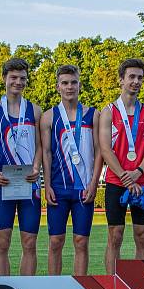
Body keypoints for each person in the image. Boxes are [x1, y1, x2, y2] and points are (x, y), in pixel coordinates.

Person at [0, 58, 42, 276]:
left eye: (22, 78)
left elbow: (41, 146)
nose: (18, 82)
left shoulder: (35, 111)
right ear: (4, 79)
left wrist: (36, 168)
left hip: (29, 183)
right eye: (13, 77)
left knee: (30, 242)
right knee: (2, 242)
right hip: (3, 184)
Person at [41, 65, 102, 275]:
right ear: (58, 86)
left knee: (81, 241)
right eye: (65, 83)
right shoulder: (49, 117)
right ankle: (54, 288)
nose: (69, 87)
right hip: (59, 187)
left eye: (73, 82)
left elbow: (99, 151)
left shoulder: (93, 115)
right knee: (56, 241)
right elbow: (46, 153)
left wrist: (94, 184)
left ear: (80, 85)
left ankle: (80, 288)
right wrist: (47, 184)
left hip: (84, 188)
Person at [99, 58, 144, 274]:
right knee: (115, 235)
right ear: (121, 80)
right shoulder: (108, 111)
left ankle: (139, 282)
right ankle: (113, 283)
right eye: (131, 77)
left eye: (140, 78)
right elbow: (106, 149)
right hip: (117, 182)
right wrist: (125, 176)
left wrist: (138, 172)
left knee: (143, 235)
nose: (136, 82)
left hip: (143, 181)